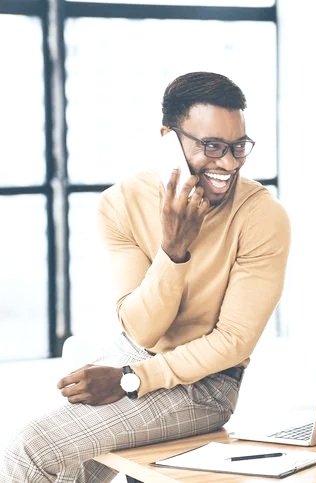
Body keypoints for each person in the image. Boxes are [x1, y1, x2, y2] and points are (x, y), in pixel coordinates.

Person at [0, 71, 291, 482]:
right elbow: (141, 330)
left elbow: (233, 341)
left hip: (208, 386)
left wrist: (132, 379)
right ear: (168, 137)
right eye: (211, 146)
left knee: (31, 449)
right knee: (59, 458)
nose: (227, 163)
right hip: (136, 355)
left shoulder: (262, 215)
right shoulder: (120, 204)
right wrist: (174, 251)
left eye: (237, 147)